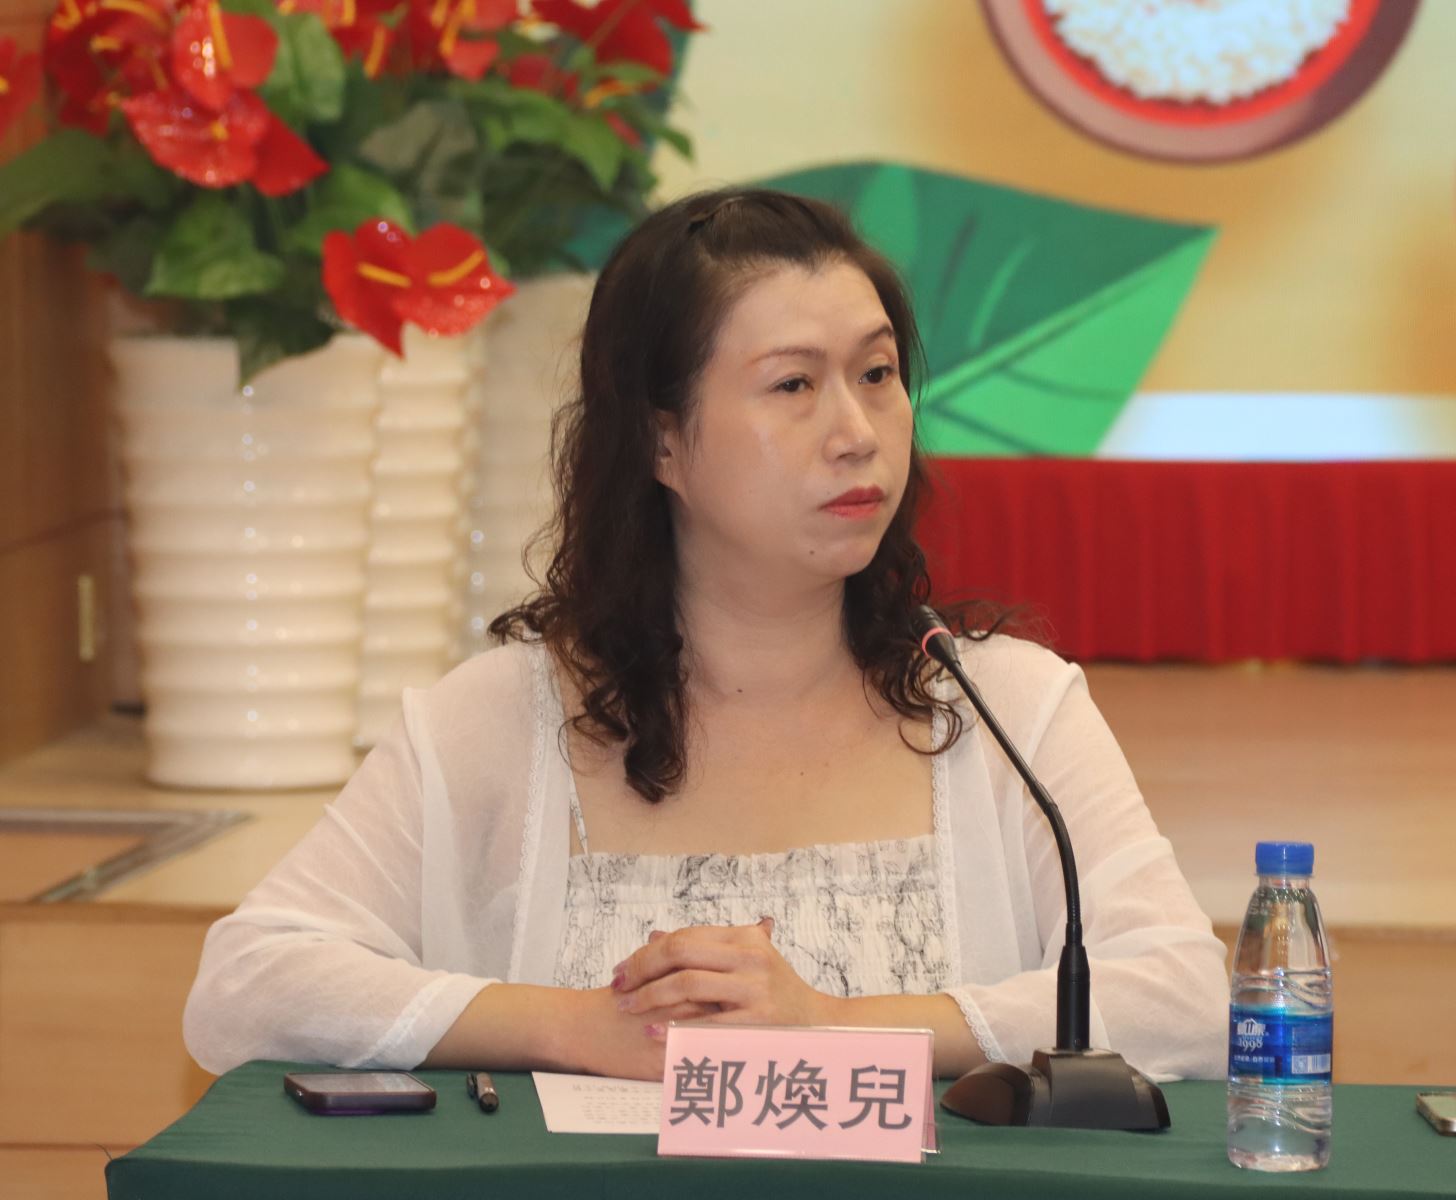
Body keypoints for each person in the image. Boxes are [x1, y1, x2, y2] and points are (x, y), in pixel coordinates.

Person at [182, 188, 1228, 1083]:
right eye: (793, 384)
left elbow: (1184, 1000)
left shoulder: (1006, 709)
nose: (856, 432)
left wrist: (833, 1029)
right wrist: (575, 1027)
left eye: (876, 374)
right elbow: (247, 987)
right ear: (662, 441)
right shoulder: (503, 718)